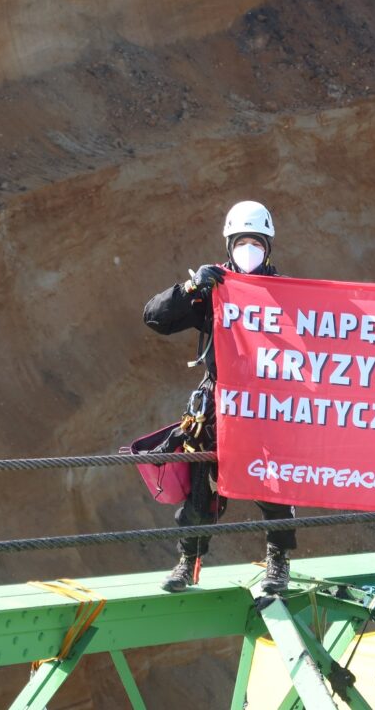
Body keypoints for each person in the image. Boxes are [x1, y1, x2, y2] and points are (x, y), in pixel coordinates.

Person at [143, 200, 297, 595]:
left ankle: (278, 561)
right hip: (218, 402)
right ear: (228, 245)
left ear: (269, 246)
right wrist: (192, 287)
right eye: (242, 242)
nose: (250, 250)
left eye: (257, 242)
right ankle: (187, 561)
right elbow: (156, 318)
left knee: (273, 485)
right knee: (199, 486)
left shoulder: (287, 294)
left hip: (266, 403)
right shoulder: (213, 291)